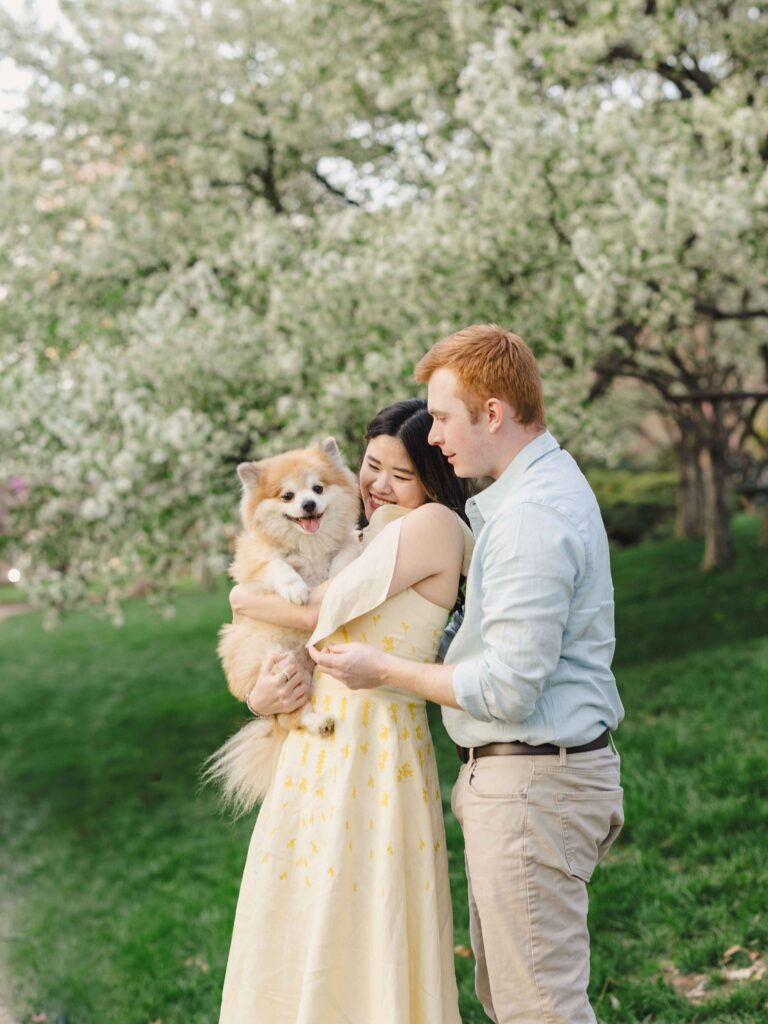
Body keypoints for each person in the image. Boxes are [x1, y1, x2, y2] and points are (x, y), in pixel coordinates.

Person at [310, 325, 625, 1024]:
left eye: (445, 417)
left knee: (538, 1008)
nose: (435, 435)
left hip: (534, 785)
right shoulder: (530, 497)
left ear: (492, 414)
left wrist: (382, 667)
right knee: (517, 997)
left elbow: (509, 689)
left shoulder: (530, 520)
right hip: (531, 782)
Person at [218, 399, 474, 1024]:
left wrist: (238, 595)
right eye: (370, 465)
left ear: (435, 477)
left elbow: (314, 613)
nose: (378, 485)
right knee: (301, 927)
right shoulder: (370, 533)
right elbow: (291, 639)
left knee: (364, 924)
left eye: (400, 474)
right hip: (316, 752)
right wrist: (260, 695)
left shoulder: (431, 526)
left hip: (376, 752)